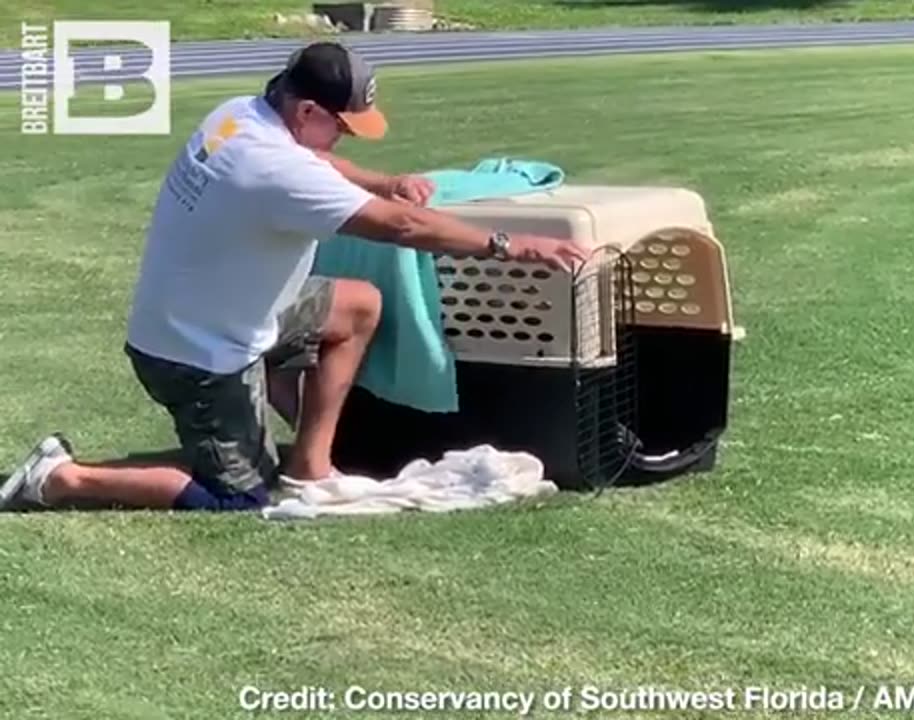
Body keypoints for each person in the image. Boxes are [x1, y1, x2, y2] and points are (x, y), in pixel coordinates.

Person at [0, 41, 588, 513]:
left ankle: (311, 466)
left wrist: (381, 180)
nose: (345, 136)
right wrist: (511, 244)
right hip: (197, 354)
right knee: (235, 495)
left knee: (357, 305)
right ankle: (61, 477)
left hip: (226, 309)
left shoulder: (238, 115)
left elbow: (319, 162)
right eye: (343, 124)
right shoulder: (272, 167)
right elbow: (403, 227)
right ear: (307, 111)